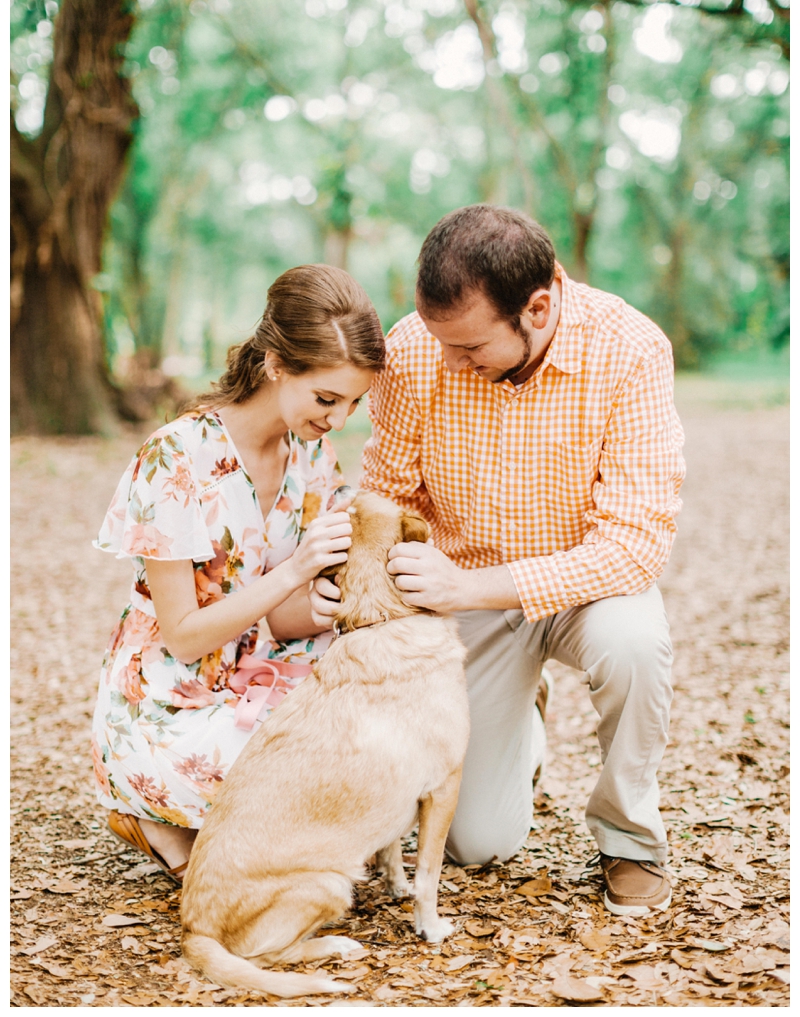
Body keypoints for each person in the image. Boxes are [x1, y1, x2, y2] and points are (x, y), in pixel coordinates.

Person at [312, 205, 685, 917]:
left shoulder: (631, 348)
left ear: (537, 307)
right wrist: (346, 590)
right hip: (466, 600)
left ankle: (630, 835)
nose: (448, 360)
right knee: (476, 841)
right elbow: (383, 495)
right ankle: (523, 720)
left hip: (587, 587)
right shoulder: (415, 351)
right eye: (437, 340)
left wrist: (472, 584)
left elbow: (635, 547)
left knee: (635, 643)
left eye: (469, 346)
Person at [91, 264, 384, 880]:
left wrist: (325, 603)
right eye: (327, 398)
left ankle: (196, 838)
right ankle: (152, 812)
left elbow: (282, 618)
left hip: (262, 669)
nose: (340, 419)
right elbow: (186, 635)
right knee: (297, 778)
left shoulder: (311, 456)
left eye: (354, 402)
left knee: (371, 738)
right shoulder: (176, 457)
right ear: (276, 363)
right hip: (169, 696)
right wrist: (295, 570)